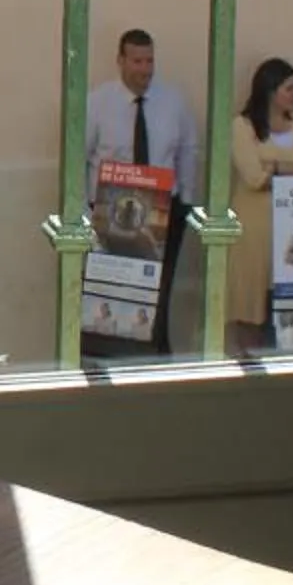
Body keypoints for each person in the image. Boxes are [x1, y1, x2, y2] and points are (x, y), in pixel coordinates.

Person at [82, 27, 199, 356]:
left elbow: (188, 148)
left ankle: (156, 356)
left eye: (149, 61)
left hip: (164, 209)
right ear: (121, 61)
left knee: (159, 290)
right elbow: (79, 154)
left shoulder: (172, 100)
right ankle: (108, 359)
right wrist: (83, 210)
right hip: (111, 212)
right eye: (137, 61)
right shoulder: (98, 102)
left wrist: (185, 200)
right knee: (114, 289)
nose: (145, 69)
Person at [227, 57, 293, 355]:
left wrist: (276, 168)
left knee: (291, 308)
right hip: (254, 231)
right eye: (289, 88)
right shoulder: (242, 126)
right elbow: (254, 176)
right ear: (270, 90)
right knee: (250, 305)